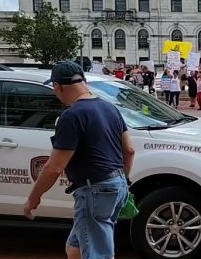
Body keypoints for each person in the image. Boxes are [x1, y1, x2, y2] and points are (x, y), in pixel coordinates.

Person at [24, 61, 132, 259]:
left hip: (94, 190)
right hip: (117, 186)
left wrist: (33, 198)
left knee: (96, 253)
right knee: (76, 247)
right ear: (83, 80)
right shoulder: (110, 108)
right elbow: (129, 150)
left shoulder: (72, 115)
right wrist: (123, 179)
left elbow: (54, 167)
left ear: (58, 86)